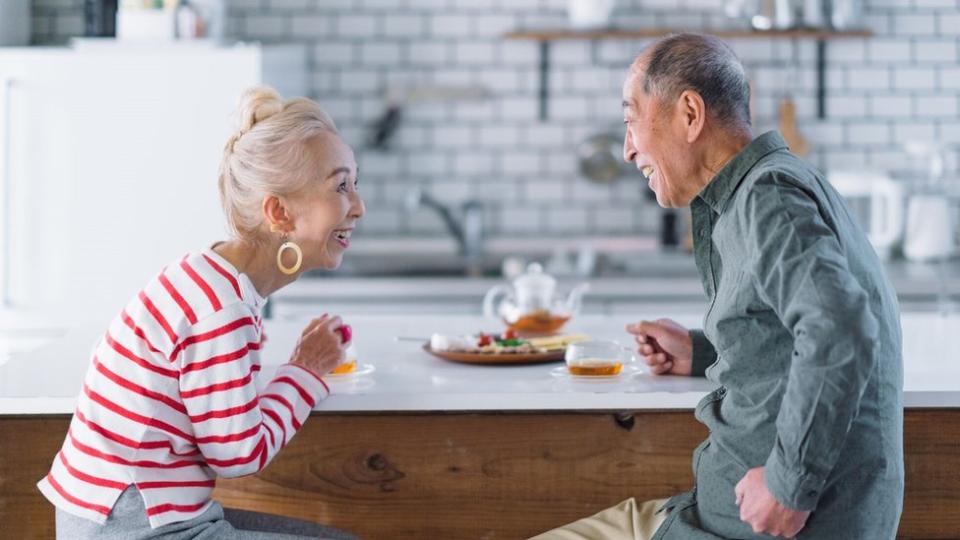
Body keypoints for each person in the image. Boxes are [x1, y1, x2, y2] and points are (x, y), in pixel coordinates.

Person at [532, 33, 903, 540]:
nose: (626, 150)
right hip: (714, 519)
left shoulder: (766, 197)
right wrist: (703, 352)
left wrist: (788, 486)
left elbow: (841, 329)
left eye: (630, 120)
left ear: (689, 113)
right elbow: (794, 336)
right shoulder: (767, 188)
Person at [37, 87, 365, 539]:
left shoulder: (210, 277)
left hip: (134, 518)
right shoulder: (222, 308)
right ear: (279, 213)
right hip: (140, 528)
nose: (359, 206)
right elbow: (239, 456)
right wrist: (306, 371)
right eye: (341, 185)